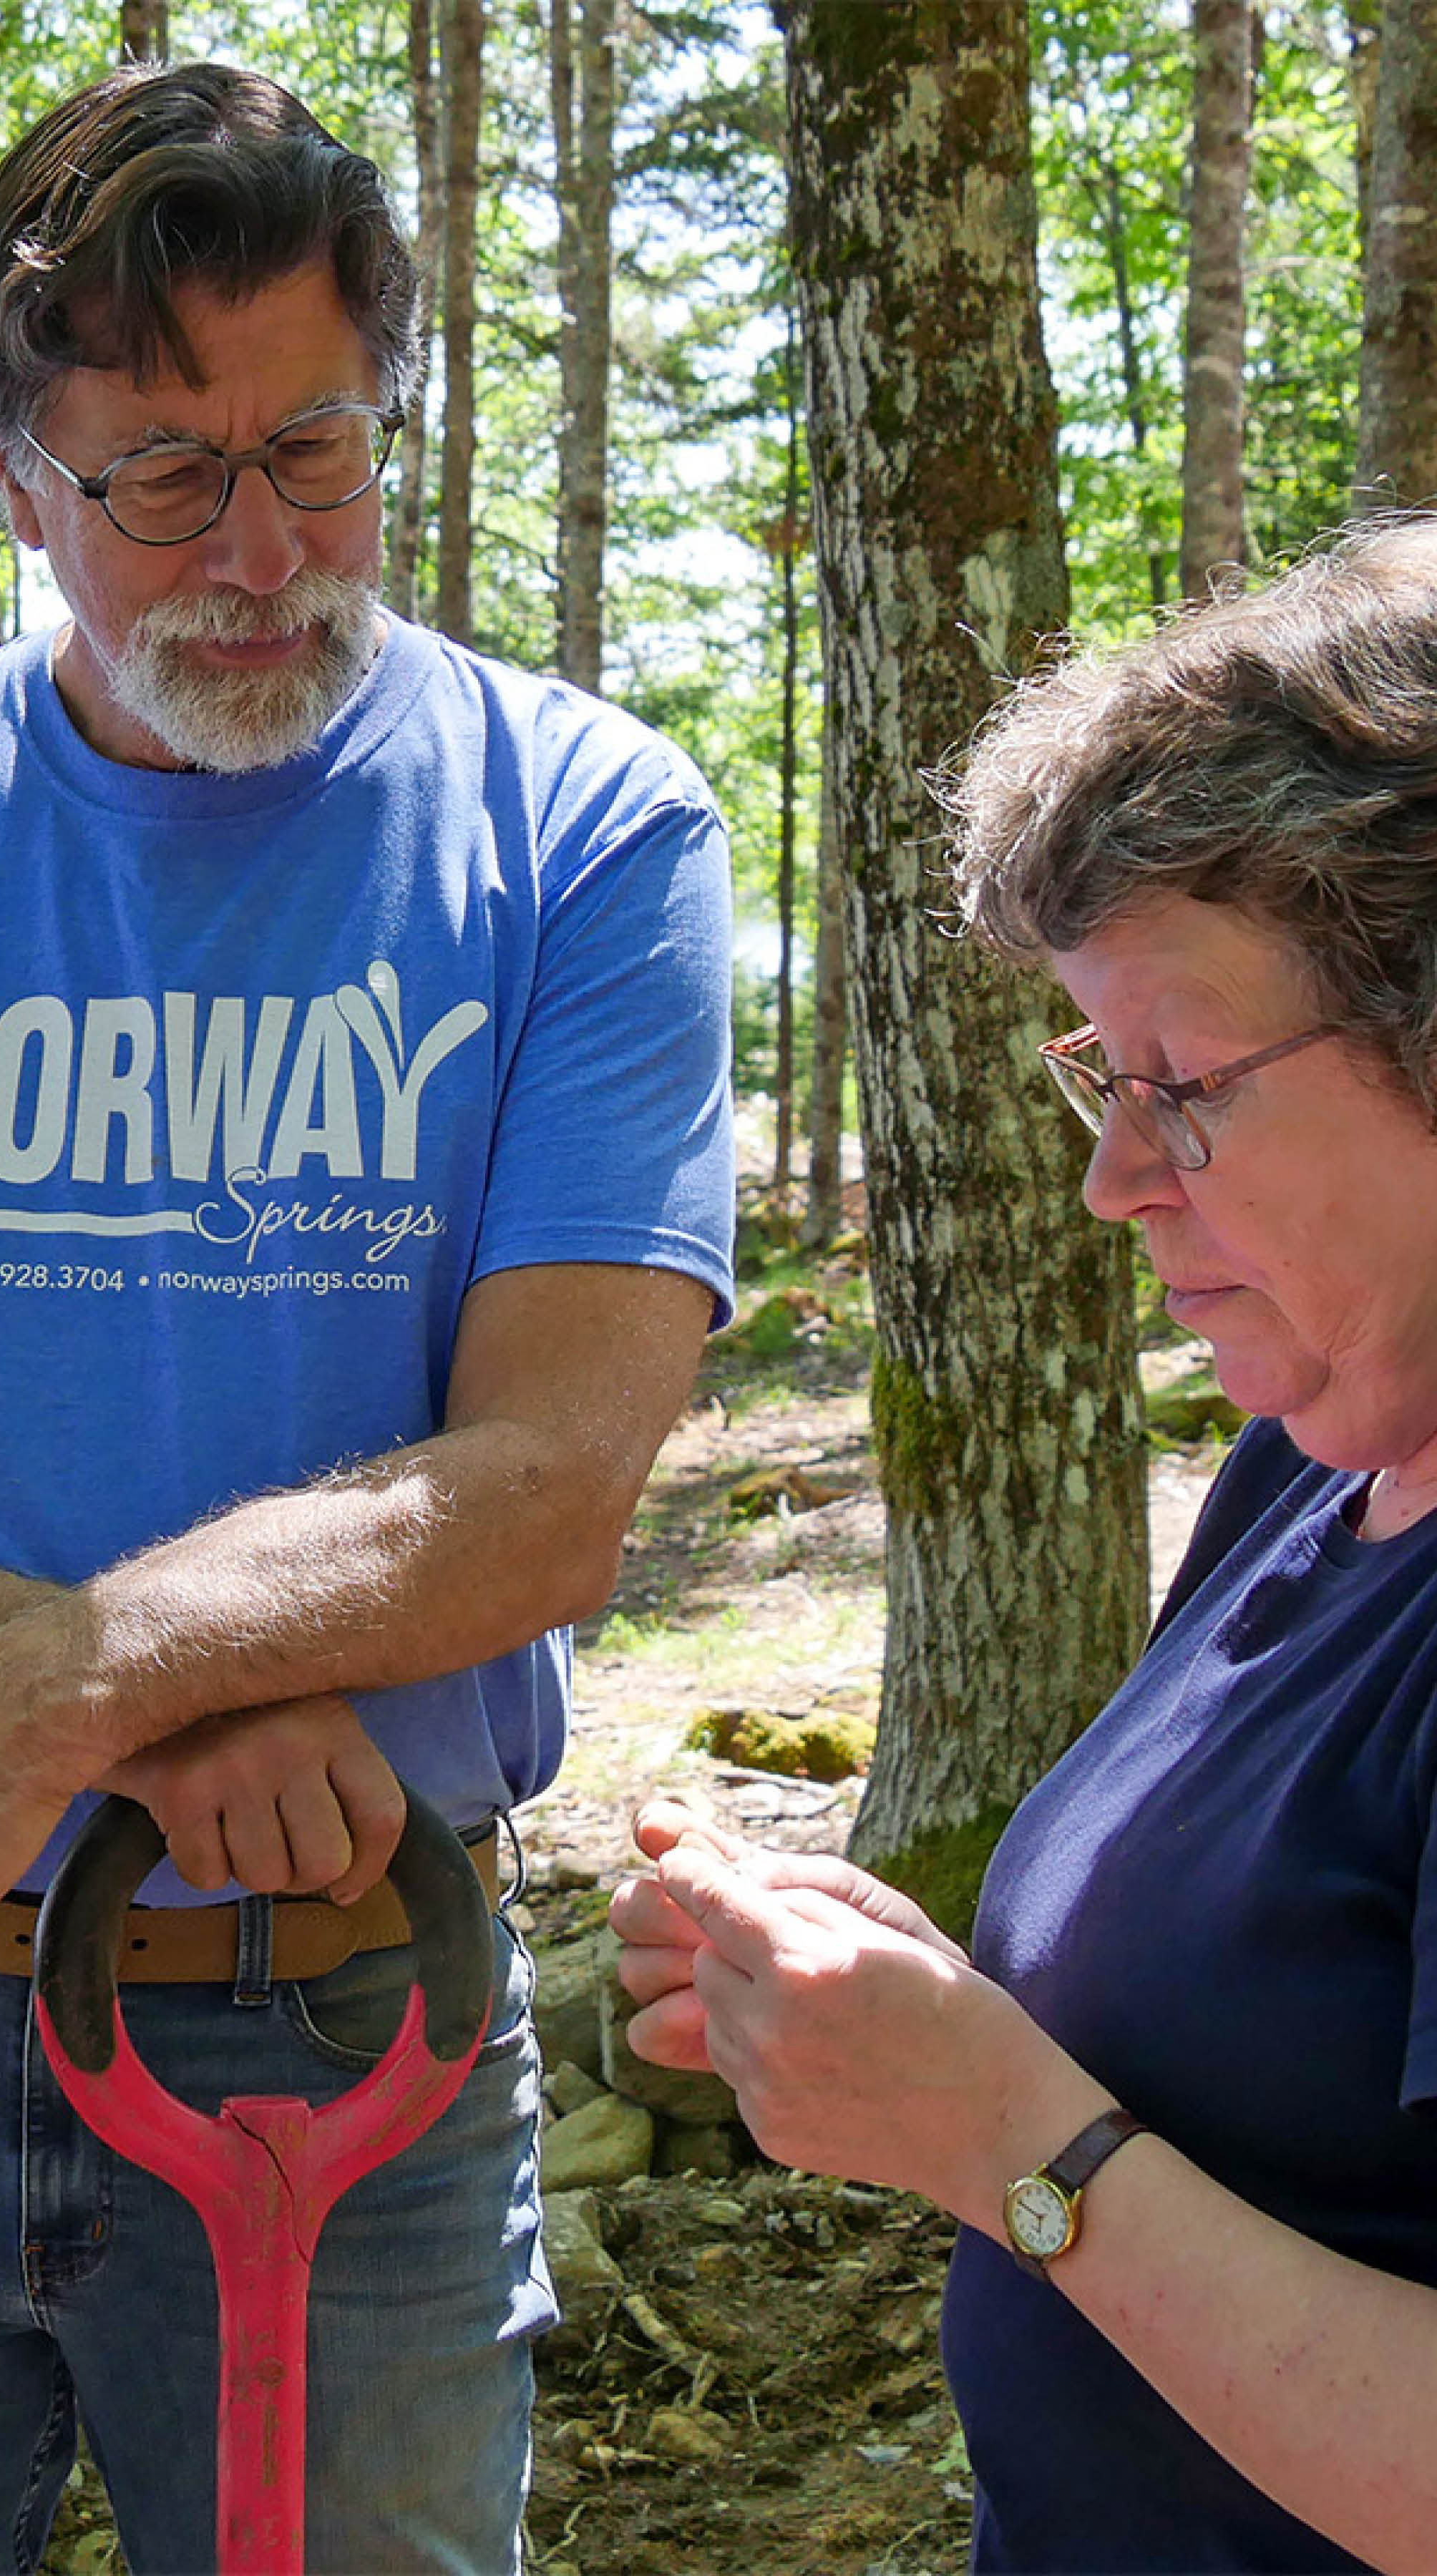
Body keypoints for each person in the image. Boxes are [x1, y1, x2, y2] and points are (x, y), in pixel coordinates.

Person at [0, 60, 734, 2576]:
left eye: (321, 446)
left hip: (350, 2012)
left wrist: (57, 1706)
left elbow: (549, 1490)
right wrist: (162, 1725)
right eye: (164, 477)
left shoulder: (586, 828)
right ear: (16, 485)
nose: (263, 547)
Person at [611, 517, 1437, 2575]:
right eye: (1100, 1077)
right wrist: (895, 2021)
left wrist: (1011, 2141)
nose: (1112, 1183)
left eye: (1183, 1086)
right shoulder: (1315, 1470)